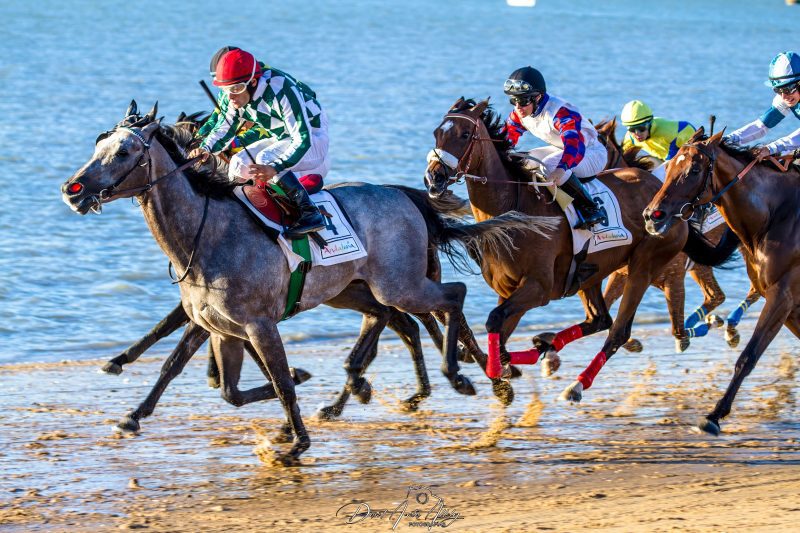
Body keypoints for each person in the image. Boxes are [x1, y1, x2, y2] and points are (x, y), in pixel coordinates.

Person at [189, 48, 328, 237]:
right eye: (225, 90)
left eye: (236, 89)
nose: (230, 96)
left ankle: (310, 213)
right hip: (280, 138)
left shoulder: (281, 89)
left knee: (265, 158)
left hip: (312, 139)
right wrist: (205, 148)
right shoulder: (233, 95)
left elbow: (302, 138)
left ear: (253, 82)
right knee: (237, 165)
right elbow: (225, 127)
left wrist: (276, 168)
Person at [502, 66, 606, 229]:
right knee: (522, 159)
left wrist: (561, 168)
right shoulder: (520, 113)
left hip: (590, 153)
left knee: (550, 166)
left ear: (538, 97)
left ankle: (590, 208)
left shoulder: (561, 112)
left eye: (522, 101)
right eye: (513, 100)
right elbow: (506, 139)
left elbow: (574, 145)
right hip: (562, 150)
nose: (517, 107)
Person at [195, 46, 271, 157]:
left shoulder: (265, 88)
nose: (228, 93)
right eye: (222, 87)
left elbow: (266, 130)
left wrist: (233, 143)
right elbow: (215, 118)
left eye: (231, 86)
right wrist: (197, 139)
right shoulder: (226, 94)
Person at [725, 51, 800, 159]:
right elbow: (762, 126)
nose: (783, 96)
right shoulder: (787, 96)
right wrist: (727, 140)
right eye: (778, 90)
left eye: (787, 89)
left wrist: (771, 148)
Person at [620, 100, 695, 180]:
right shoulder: (629, 138)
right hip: (662, 157)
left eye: (641, 129)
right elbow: (620, 159)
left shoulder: (669, 132)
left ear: (649, 124)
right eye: (632, 129)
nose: (637, 134)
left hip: (682, 151)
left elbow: (672, 163)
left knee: (657, 176)